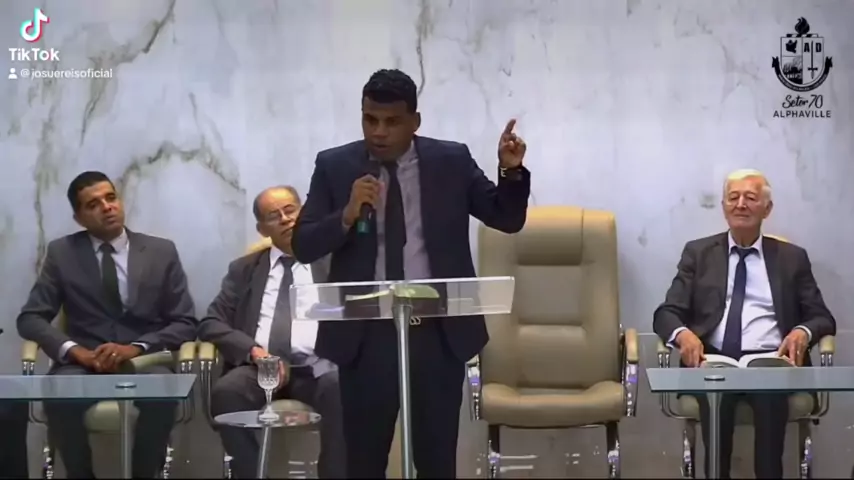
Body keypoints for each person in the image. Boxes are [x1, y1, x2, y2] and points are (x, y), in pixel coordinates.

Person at [292, 68, 530, 478]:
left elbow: (506, 218)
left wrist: (510, 171)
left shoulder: (450, 161)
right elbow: (303, 243)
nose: (379, 132)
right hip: (365, 338)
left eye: (392, 121)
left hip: (436, 335)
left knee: (436, 464)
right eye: (370, 119)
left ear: (415, 121)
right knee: (363, 464)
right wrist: (346, 215)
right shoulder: (334, 166)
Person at [653, 169, 836, 479]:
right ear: (724, 207)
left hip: (770, 361)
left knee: (770, 394)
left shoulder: (792, 258)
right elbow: (666, 312)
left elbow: (821, 316)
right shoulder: (698, 253)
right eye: (733, 197)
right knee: (715, 400)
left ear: (767, 209)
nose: (740, 204)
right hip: (713, 360)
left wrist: (802, 332)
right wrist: (683, 335)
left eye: (750, 198)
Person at [16, 171, 197, 478]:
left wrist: (135, 347)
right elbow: (31, 318)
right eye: (93, 204)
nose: (107, 207)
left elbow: (185, 321)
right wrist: (75, 351)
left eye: (111, 198)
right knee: (60, 395)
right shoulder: (62, 253)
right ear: (79, 218)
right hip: (82, 362)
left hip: (143, 360)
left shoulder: (160, 251)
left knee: (162, 393)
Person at [199, 186, 346, 479]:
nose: (285, 219)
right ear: (262, 229)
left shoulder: (335, 261)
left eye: (290, 210)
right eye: (273, 215)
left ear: (304, 212)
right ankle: (252, 473)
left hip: (319, 366)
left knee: (341, 387)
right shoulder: (244, 269)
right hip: (261, 369)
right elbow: (211, 322)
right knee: (227, 392)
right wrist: (253, 352)